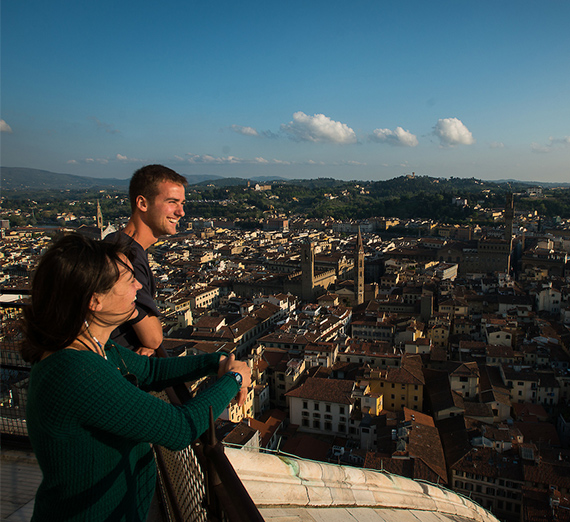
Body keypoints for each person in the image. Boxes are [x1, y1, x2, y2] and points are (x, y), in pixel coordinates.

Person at [23, 233, 251, 522]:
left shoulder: (97, 348)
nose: (139, 286)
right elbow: (179, 429)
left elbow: (151, 371)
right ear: (95, 300)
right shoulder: (76, 370)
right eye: (128, 281)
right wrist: (234, 379)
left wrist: (214, 361)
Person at [107, 164, 187, 356]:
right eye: (172, 202)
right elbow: (153, 338)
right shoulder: (126, 256)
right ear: (143, 204)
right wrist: (151, 341)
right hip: (119, 369)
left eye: (182, 203)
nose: (181, 212)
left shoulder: (115, 242)